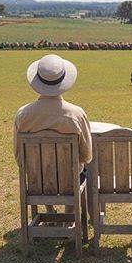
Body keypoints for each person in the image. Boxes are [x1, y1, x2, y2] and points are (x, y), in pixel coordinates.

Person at [14, 54, 92, 187]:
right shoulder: (76, 114)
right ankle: (72, 208)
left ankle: (49, 207)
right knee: (86, 172)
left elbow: (19, 156)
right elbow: (86, 156)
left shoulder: (23, 115)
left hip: (38, 181)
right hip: (70, 181)